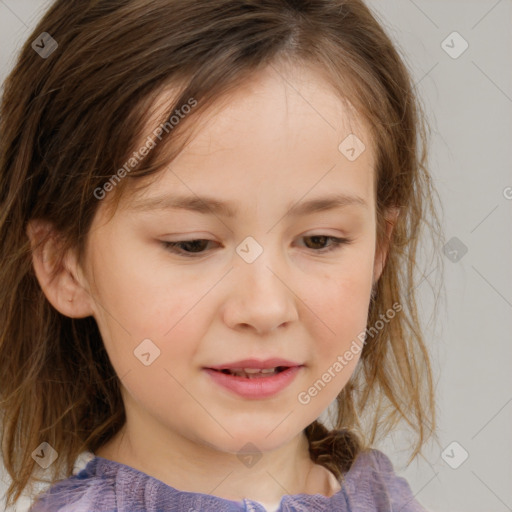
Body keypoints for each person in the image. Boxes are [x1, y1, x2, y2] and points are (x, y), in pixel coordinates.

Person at [0, 0, 443, 510]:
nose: (264, 308)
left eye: (320, 240)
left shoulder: (385, 498)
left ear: (378, 249)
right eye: (191, 244)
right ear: (65, 265)